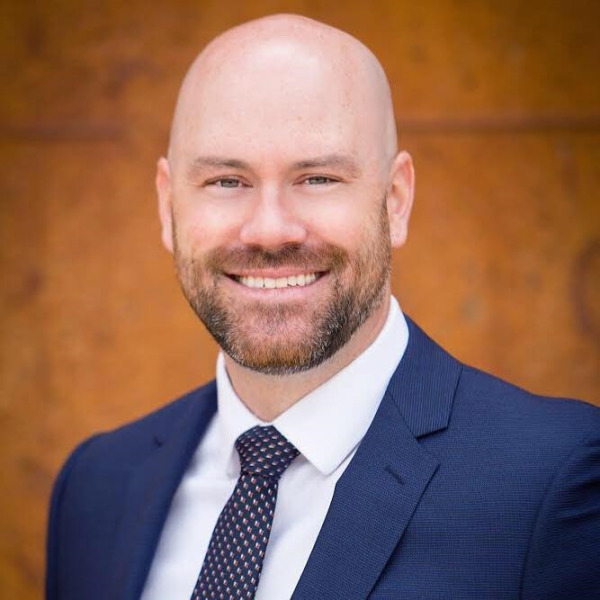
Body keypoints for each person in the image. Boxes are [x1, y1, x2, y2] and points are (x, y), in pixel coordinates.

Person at [46, 14, 600, 600]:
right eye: (227, 181)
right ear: (168, 206)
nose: (269, 230)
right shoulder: (95, 489)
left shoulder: (554, 482)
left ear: (396, 200)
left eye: (318, 178)